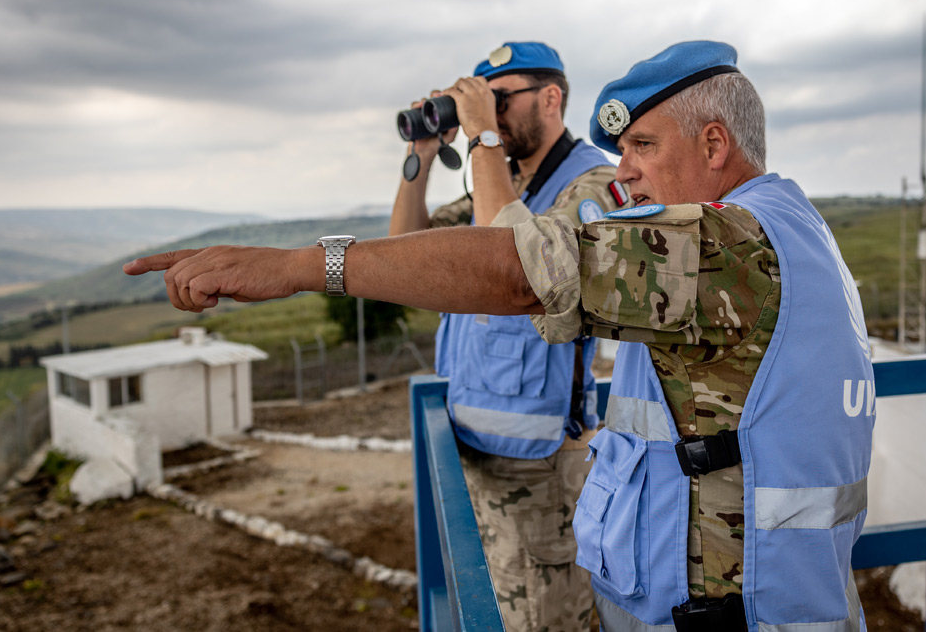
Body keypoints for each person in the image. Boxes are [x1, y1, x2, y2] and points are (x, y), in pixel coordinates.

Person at [125, 41, 875, 632]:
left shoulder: (728, 245)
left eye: (643, 146)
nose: (627, 172)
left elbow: (517, 272)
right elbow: (419, 250)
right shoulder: (777, 226)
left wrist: (295, 266)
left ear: (714, 145)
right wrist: (424, 152)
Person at [389, 41, 625, 632]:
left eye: (498, 100)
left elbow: (515, 256)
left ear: (552, 98)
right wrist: (420, 157)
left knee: (546, 621)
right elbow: (404, 253)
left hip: (543, 468)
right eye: (481, 102)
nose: (488, 115)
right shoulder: (498, 184)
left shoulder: (592, 183)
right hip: (475, 448)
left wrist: (480, 140)